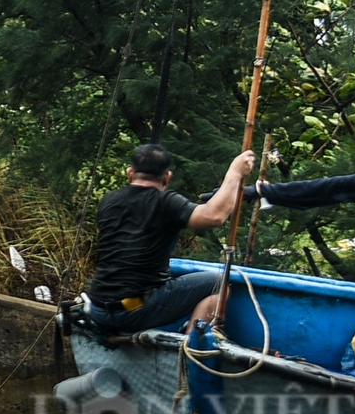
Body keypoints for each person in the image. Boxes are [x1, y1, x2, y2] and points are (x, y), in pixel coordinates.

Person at [83, 143, 256, 335]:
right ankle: (192, 346)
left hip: (98, 307)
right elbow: (214, 216)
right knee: (219, 284)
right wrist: (235, 172)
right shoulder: (165, 202)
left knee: (155, 286)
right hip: (132, 310)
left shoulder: (109, 200)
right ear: (167, 177)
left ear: (130, 173)